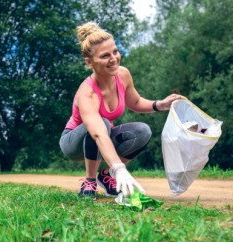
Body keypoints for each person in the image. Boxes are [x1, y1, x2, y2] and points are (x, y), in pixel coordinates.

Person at [59, 22, 182, 198]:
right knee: (102, 124)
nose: (113, 59)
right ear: (89, 62)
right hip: (73, 143)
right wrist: (121, 168)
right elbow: (98, 134)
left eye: (115, 52)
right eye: (105, 56)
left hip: (102, 135)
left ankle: (106, 175)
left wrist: (159, 105)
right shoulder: (87, 93)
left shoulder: (122, 75)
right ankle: (89, 181)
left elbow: (136, 102)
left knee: (142, 131)